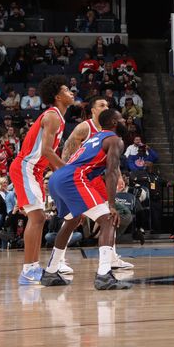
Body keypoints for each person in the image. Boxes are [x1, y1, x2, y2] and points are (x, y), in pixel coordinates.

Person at [41, 109, 131, 289]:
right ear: (114, 122)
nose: (125, 121)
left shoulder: (94, 138)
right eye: (121, 119)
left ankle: (50, 272)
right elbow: (112, 172)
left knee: (72, 221)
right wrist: (111, 205)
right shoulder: (115, 140)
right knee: (108, 220)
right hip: (73, 178)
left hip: (57, 178)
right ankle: (104, 275)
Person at [8, 76, 73, 285]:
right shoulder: (53, 116)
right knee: (37, 218)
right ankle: (28, 270)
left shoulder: (59, 118)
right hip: (26, 167)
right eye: (66, 90)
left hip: (34, 170)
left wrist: (60, 170)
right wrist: (67, 171)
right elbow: (45, 150)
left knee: (39, 218)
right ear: (57, 96)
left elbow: (48, 154)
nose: (71, 92)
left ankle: (33, 267)